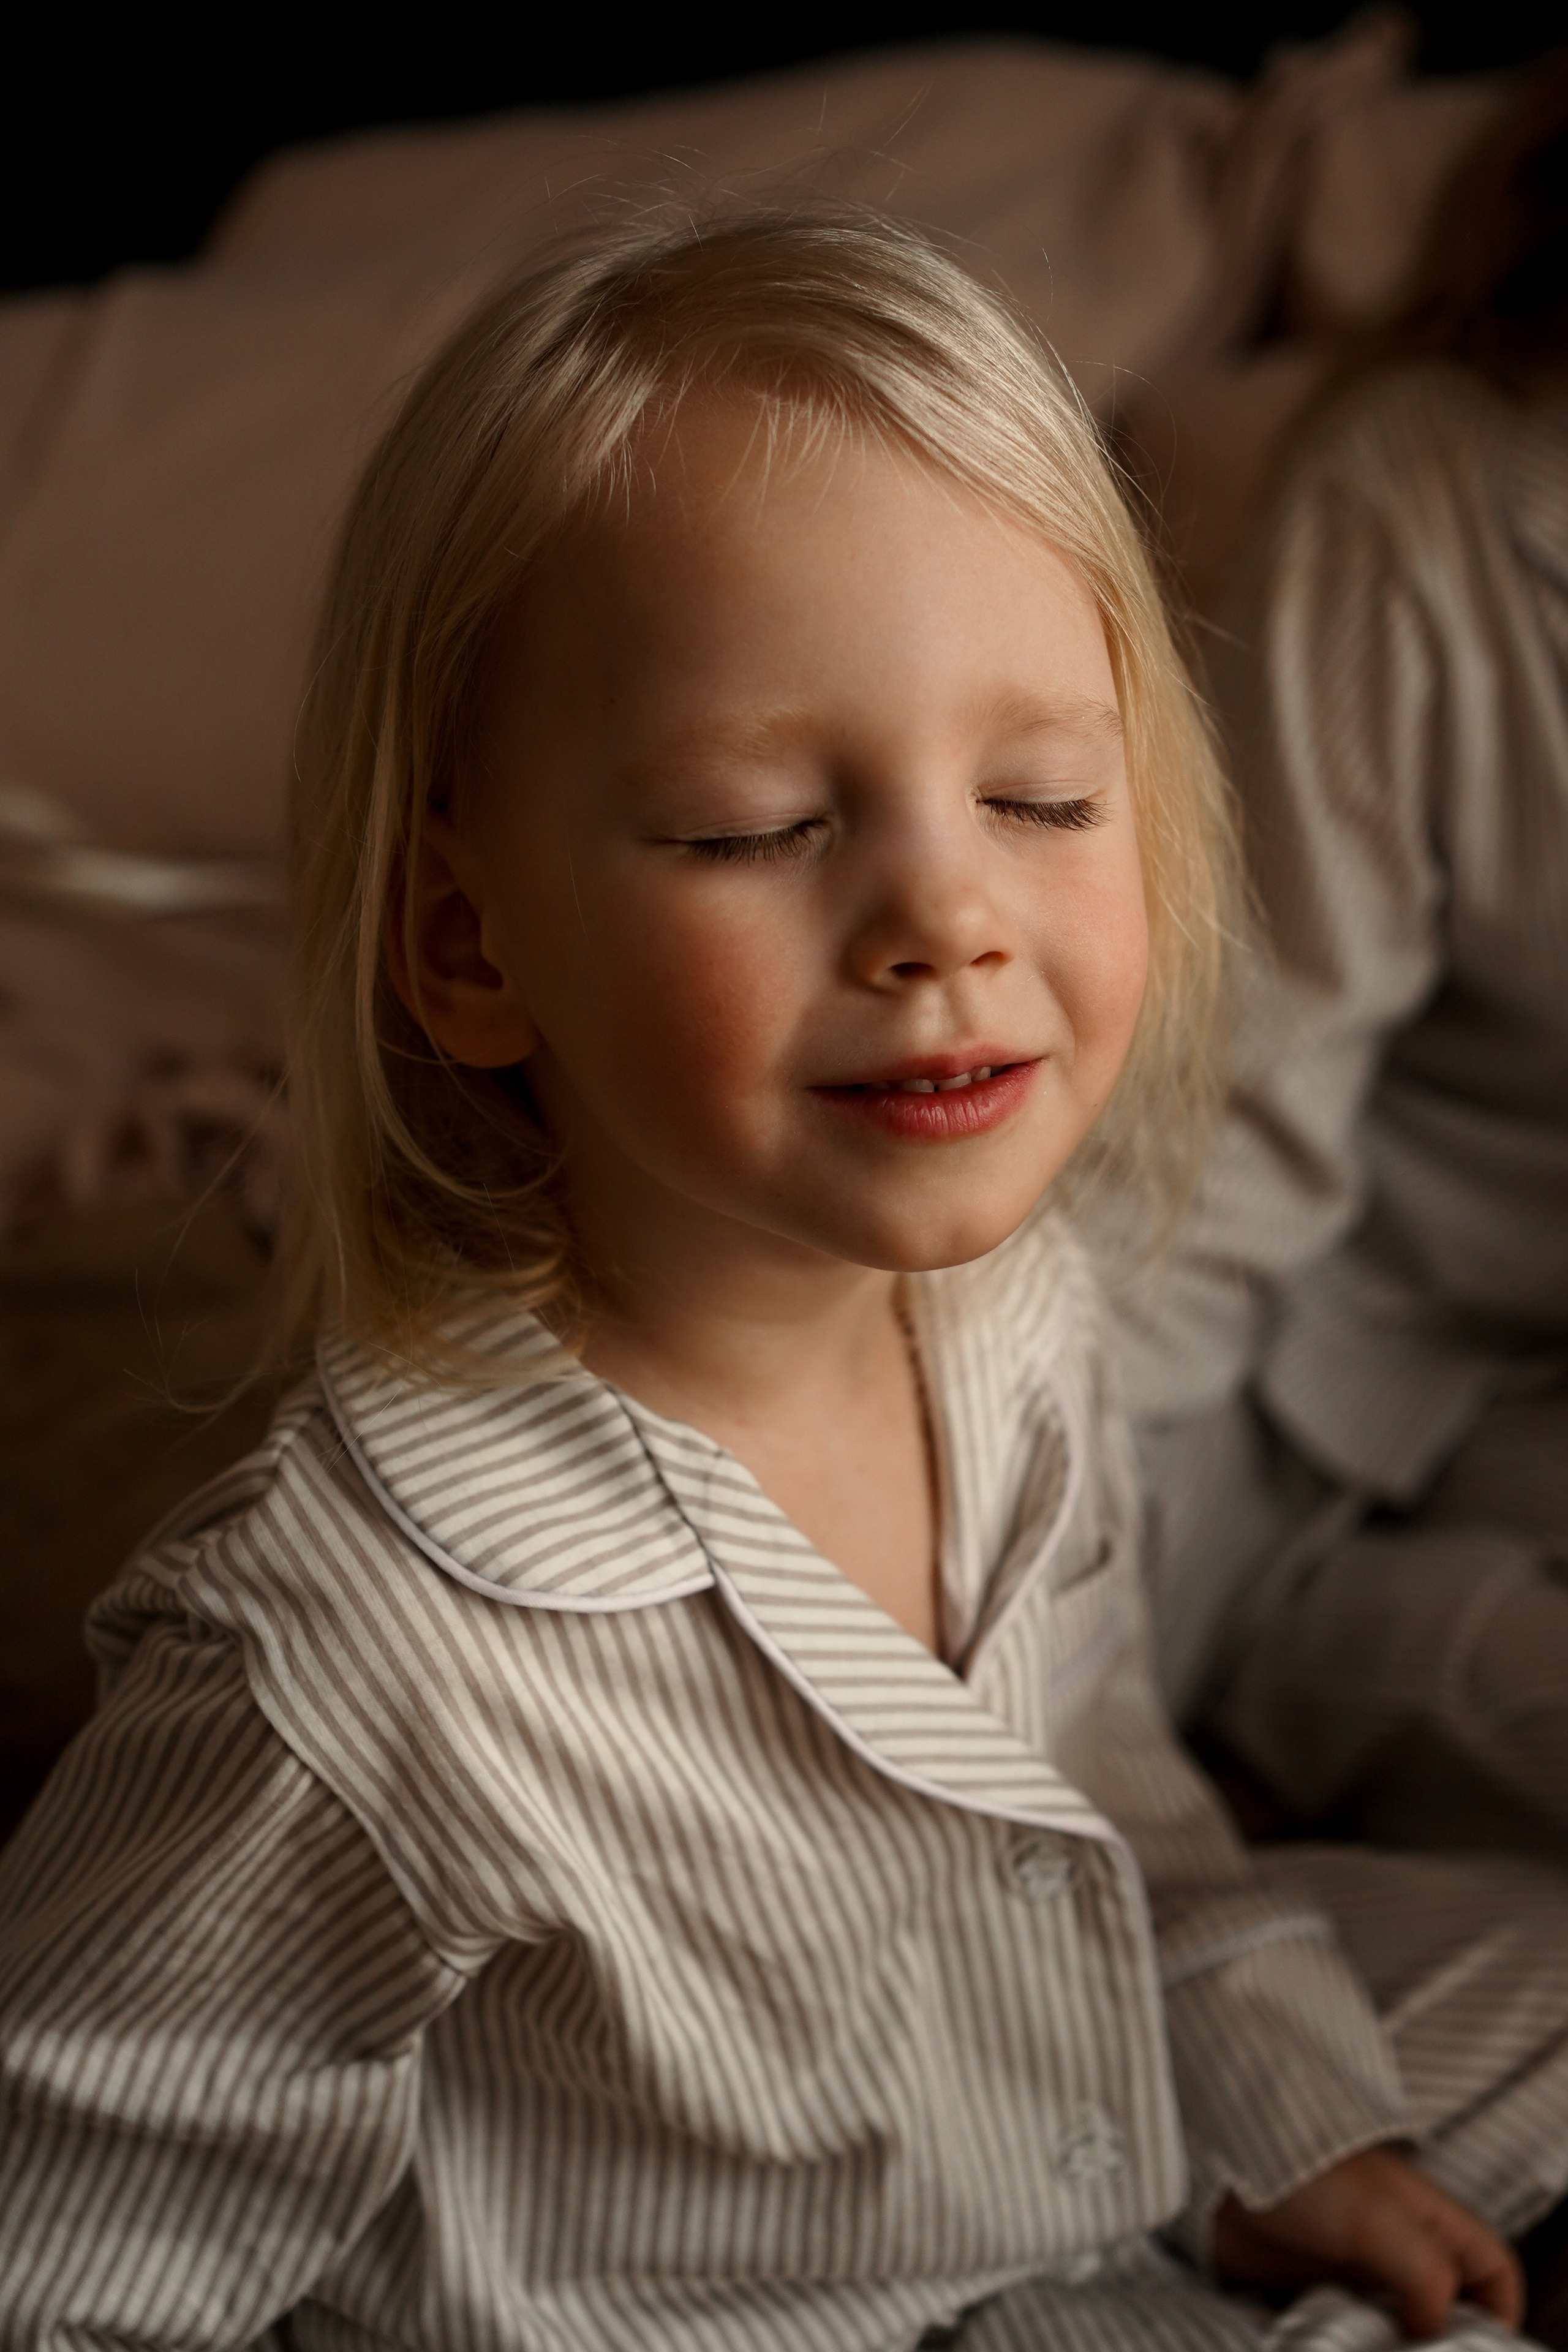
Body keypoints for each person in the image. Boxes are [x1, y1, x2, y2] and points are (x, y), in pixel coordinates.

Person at [0, 211, 1563, 2352]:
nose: (946, 913)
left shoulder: (1021, 1328)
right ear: (467, 945)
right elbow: (63, 2262)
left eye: (1039, 796)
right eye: (750, 828)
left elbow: (1097, 1776)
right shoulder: (348, 1663)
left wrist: (1281, 2106)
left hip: (1052, 2146)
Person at [1102, 61, 1568, 1861]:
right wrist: (1029, 1595)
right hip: (1333, 1364)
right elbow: (1210, 1146)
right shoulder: (1424, 502)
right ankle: (1261, 1663)